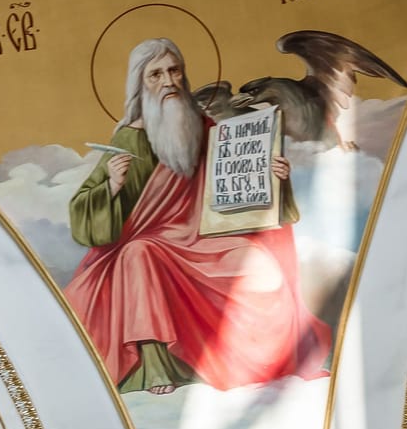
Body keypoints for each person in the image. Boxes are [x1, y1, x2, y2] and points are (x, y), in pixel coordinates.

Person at [62, 38, 332, 395]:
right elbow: (83, 208)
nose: (168, 81)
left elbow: (237, 186)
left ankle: (253, 360)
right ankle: (158, 366)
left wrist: (274, 178)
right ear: (140, 83)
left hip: (206, 239)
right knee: (139, 253)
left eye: (174, 70)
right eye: (156, 74)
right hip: (152, 243)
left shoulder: (204, 129)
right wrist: (111, 185)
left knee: (260, 265)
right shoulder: (130, 138)